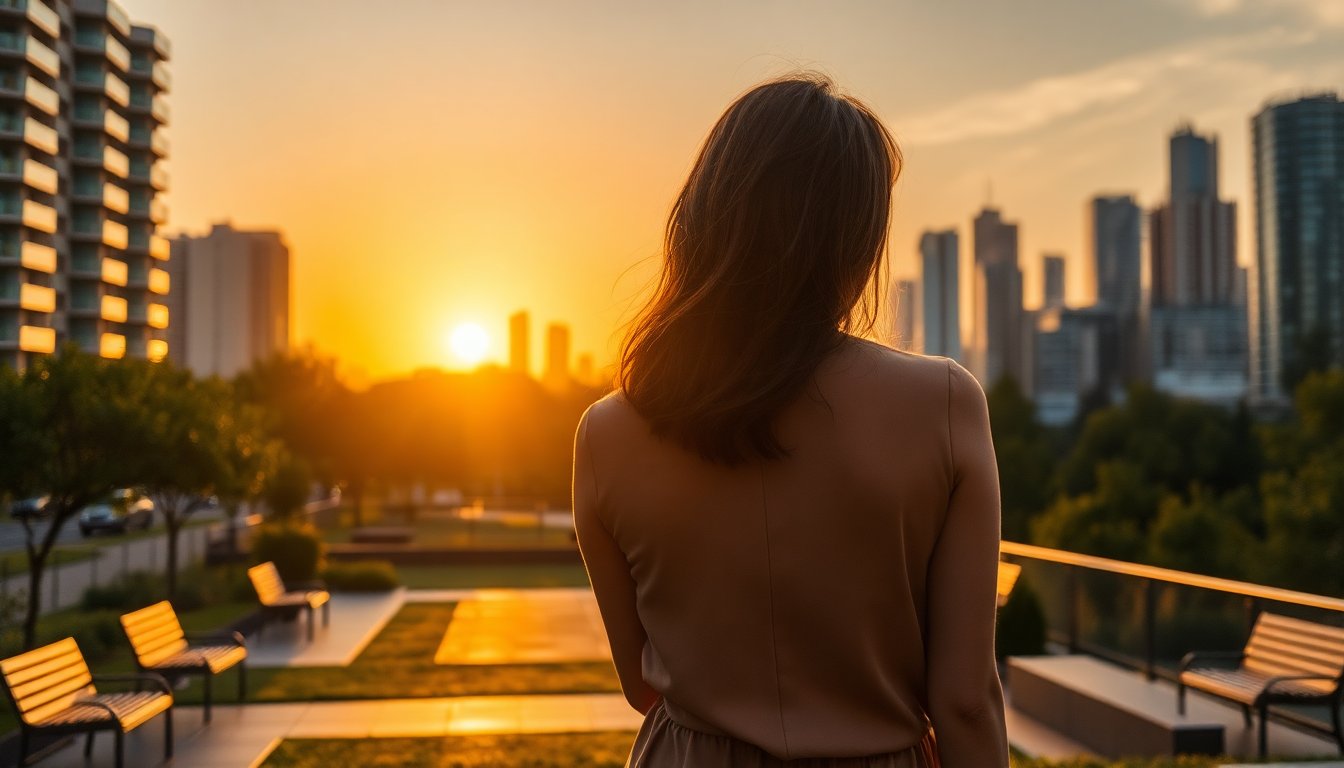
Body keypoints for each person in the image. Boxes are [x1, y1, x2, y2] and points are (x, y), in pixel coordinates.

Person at [573, 74, 1009, 767]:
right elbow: (963, 700)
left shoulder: (607, 433)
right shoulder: (946, 404)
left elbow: (640, 684)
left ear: (708, 218)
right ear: (855, 242)